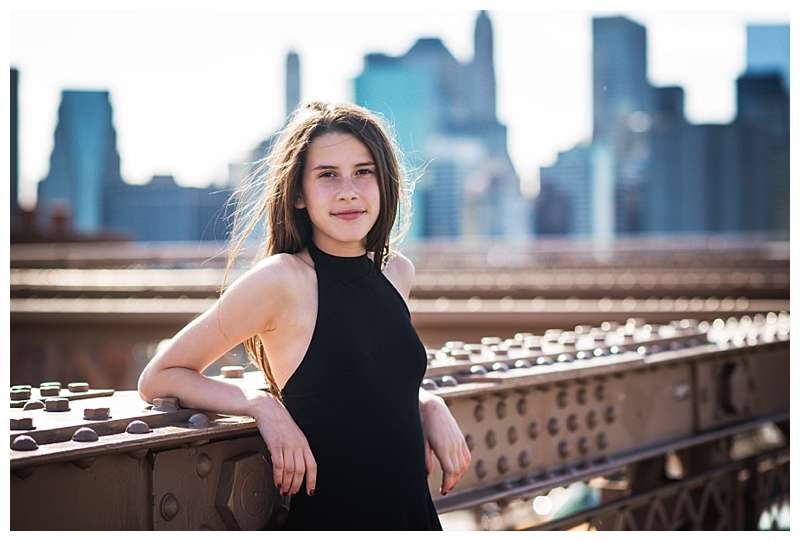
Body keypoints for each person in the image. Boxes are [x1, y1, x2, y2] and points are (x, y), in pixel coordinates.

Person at [137, 101, 471, 530]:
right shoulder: (281, 280)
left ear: (384, 183)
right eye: (327, 175)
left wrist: (427, 402)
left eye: (363, 171)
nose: (348, 190)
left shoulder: (396, 272)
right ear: (298, 193)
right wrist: (261, 405)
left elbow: (370, 384)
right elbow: (161, 375)